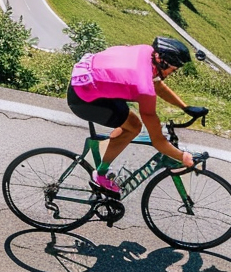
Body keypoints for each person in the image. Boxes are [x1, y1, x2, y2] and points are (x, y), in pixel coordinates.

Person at [67, 35, 207, 196]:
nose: (172, 74)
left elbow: (158, 85)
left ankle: (111, 147)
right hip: (83, 98)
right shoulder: (143, 86)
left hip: (89, 77)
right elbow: (158, 141)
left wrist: (185, 107)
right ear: (163, 62)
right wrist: (183, 157)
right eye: (173, 70)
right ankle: (100, 175)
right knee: (134, 126)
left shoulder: (148, 52)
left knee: (128, 121)